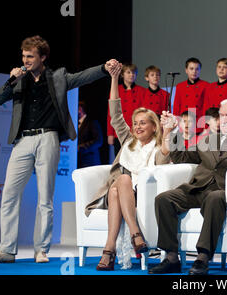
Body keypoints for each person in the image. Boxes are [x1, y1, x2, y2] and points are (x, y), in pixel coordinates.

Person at [0, 35, 117, 263]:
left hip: (48, 138)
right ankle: (7, 250)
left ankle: (41, 249)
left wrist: (103, 68)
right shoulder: (19, 79)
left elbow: (82, 77)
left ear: (42, 57)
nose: (25, 60)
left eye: (30, 56)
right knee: (9, 194)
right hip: (22, 141)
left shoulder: (57, 77)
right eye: (23, 56)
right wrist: (11, 80)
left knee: (45, 197)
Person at [149, 98, 227, 275]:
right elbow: (182, 157)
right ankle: (172, 257)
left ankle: (202, 258)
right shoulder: (209, 139)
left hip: (226, 192)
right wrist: (173, 130)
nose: (224, 120)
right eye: (222, 116)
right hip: (198, 188)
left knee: (215, 197)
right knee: (163, 199)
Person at [85, 63, 170, 271]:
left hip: (145, 193)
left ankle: (109, 250)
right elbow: (115, 113)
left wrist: (167, 133)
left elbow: (166, 158)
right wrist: (114, 78)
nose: (137, 127)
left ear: (153, 126)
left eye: (143, 123)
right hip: (124, 191)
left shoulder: (158, 145)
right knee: (119, 184)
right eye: (136, 123)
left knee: (119, 184)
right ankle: (134, 234)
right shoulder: (128, 140)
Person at [107, 63, 146, 156]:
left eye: (134, 73)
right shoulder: (116, 90)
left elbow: (145, 114)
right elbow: (110, 113)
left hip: (137, 131)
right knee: (120, 158)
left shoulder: (142, 91)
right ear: (122, 74)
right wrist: (110, 133)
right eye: (128, 72)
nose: (131, 75)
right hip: (119, 131)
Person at [77, 101, 103, 168]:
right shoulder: (75, 124)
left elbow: (98, 141)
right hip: (78, 161)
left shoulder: (92, 122)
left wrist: (80, 147)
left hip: (90, 161)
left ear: (80, 109)